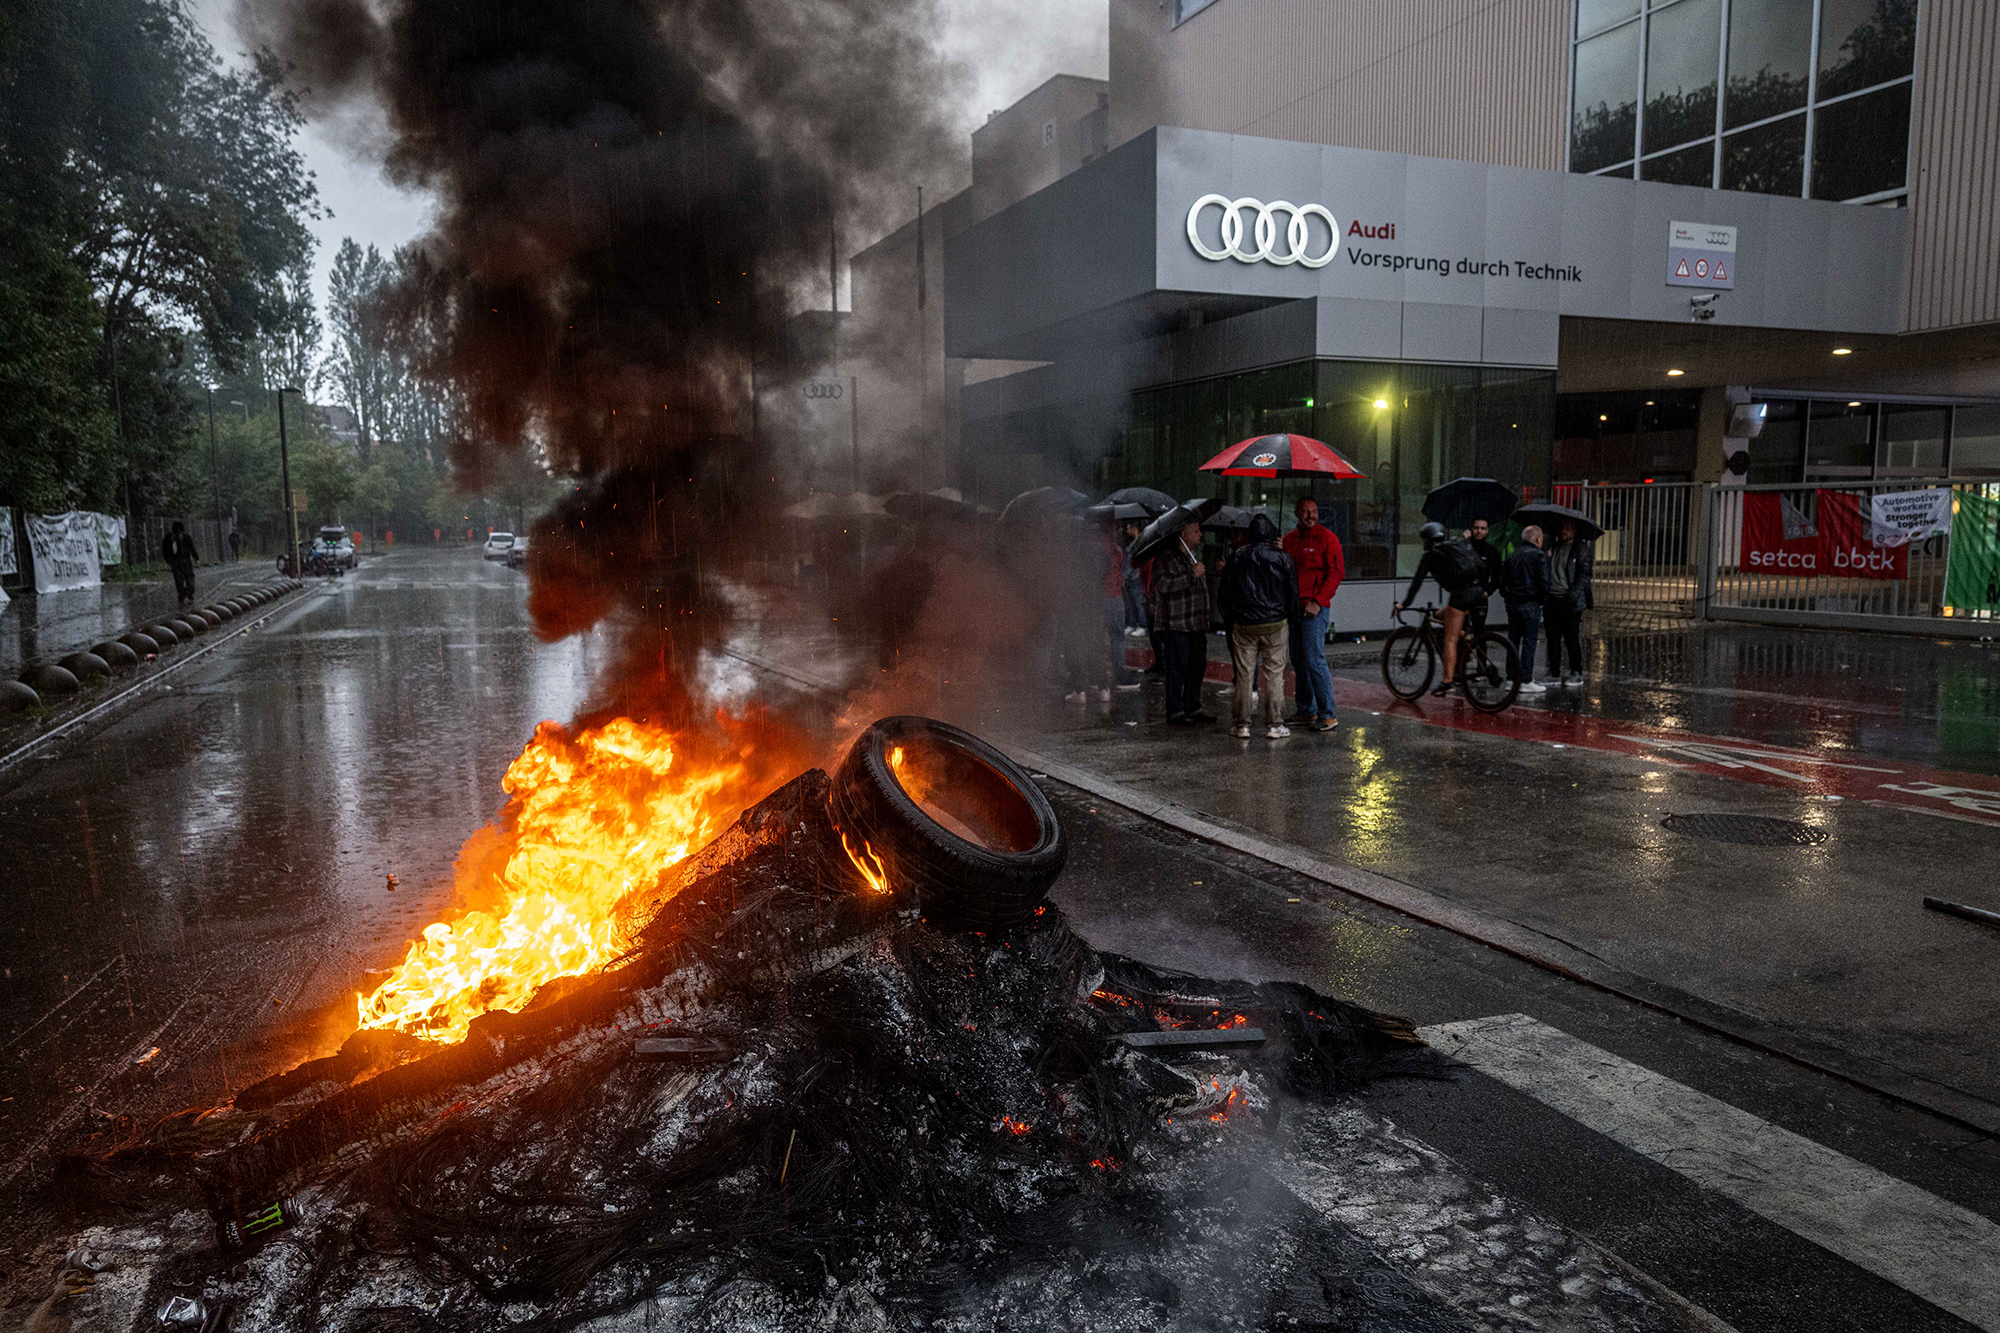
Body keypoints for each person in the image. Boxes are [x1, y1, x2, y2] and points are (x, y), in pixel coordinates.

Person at [1218, 512, 1299, 738]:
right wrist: (1289, 618)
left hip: (1244, 624)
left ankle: (1242, 725)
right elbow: (1293, 593)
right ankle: (1275, 724)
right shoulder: (1282, 558)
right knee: (1274, 675)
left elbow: (1225, 593)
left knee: (1244, 674)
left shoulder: (1236, 557)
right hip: (1275, 623)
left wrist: (1231, 618)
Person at [1392, 521, 1485, 696]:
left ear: (1427, 540)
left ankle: (1447, 682)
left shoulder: (1430, 555)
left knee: (1449, 640)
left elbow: (1416, 583)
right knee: (1440, 615)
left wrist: (1403, 604)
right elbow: (1481, 566)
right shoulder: (1457, 545)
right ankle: (1467, 641)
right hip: (1478, 592)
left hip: (1461, 595)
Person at [1280, 497, 1343, 731]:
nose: (1310, 516)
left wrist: (1318, 601)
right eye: (1305, 511)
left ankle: (1328, 714)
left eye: (1314, 511)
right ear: (1297, 513)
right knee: (1299, 661)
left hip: (1314, 608)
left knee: (1314, 659)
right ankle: (1306, 711)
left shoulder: (1328, 538)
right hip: (1294, 608)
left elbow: (1336, 573)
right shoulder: (1288, 540)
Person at [1147, 519, 1214, 725]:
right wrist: (1191, 575)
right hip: (1177, 624)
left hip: (1196, 623)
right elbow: (1164, 586)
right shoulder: (1165, 558)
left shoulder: (1191, 556)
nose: (1200, 535)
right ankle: (1175, 710)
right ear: (1183, 535)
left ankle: (1193, 706)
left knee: (1197, 665)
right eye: (1196, 530)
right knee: (1178, 667)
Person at [1500, 524, 1551, 695]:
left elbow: (1503, 582)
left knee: (1513, 639)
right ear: (1538, 539)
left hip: (1512, 604)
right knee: (1530, 641)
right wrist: (1542, 601)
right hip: (1530, 604)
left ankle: (1511, 679)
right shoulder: (1540, 555)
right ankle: (1526, 679)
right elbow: (1544, 581)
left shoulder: (1512, 555)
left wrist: (1508, 596)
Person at [1545, 518, 1594, 688]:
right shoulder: (1555, 547)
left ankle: (1576, 672)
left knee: (1571, 637)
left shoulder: (1581, 549)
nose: (1564, 531)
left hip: (1570, 600)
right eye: (1562, 527)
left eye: (1568, 528)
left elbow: (1584, 575)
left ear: (1575, 531)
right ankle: (1554, 673)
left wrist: (1573, 595)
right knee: (1552, 637)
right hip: (1553, 598)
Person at [1465, 518, 1502, 635]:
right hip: (1463, 595)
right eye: (1476, 528)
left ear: (1487, 531)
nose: (1479, 531)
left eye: (1483, 528)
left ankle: (1481, 653)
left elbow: (1497, 576)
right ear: (1471, 529)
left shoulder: (1491, 551)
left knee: (1479, 632)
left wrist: (1487, 592)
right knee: (1459, 632)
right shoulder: (1464, 547)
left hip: (1480, 597)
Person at [161, 520, 198, 604]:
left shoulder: (168, 538)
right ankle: (189, 591)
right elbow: (192, 548)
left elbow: (164, 550)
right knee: (189, 577)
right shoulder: (186, 537)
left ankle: (182, 593)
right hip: (185, 560)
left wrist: (167, 560)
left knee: (178, 578)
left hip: (175, 561)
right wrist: (196, 558)